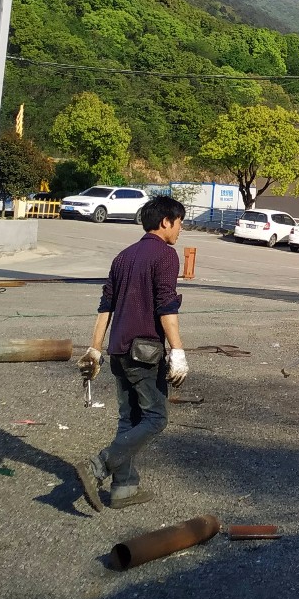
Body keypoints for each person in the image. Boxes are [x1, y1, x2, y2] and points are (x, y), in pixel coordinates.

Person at [74, 196, 190, 511]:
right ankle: (98, 466)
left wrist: (95, 348)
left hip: (118, 350)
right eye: (179, 222)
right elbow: (166, 305)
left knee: (129, 419)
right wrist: (178, 350)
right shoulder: (165, 255)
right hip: (145, 352)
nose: (180, 229)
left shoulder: (123, 256)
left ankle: (123, 488)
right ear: (166, 222)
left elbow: (106, 305)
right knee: (156, 418)